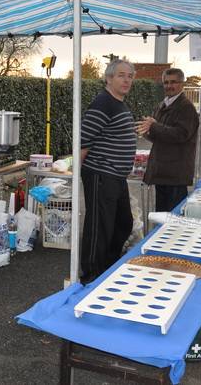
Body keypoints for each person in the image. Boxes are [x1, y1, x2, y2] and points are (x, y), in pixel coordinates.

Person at [80, 59, 136, 282]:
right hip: (101, 174)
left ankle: (108, 265)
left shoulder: (118, 103)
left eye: (130, 76)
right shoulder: (103, 102)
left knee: (123, 222)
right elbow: (84, 140)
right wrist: (78, 175)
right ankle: (91, 274)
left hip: (116, 176)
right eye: (121, 75)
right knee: (99, 226)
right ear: (109, 78)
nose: (126, 80)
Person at [136, 68, 199, 212]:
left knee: (173, 221)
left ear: (182, 84)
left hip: (176, 174)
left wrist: (154, 126)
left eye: (173, 82)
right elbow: (158, 135)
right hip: (162, 173)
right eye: (166, 82)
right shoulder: (162, 105)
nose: (169, 86)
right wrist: (146, 130)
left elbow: (181, 134)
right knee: (161, 218)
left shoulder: (186, 108)